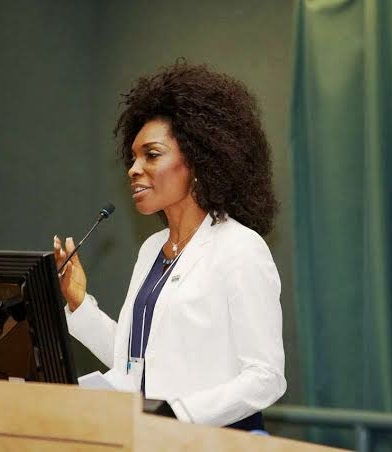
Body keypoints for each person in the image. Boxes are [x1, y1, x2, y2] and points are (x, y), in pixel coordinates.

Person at [53, 62, 286, 430]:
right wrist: (80, 303)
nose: (133, 168)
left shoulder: (241, 248)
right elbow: (133, 362)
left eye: (152, 154)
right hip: (154, 437)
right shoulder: (151, 249)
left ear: (197, 159)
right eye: (132, 157)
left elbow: (266, 377)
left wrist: (177, 414)